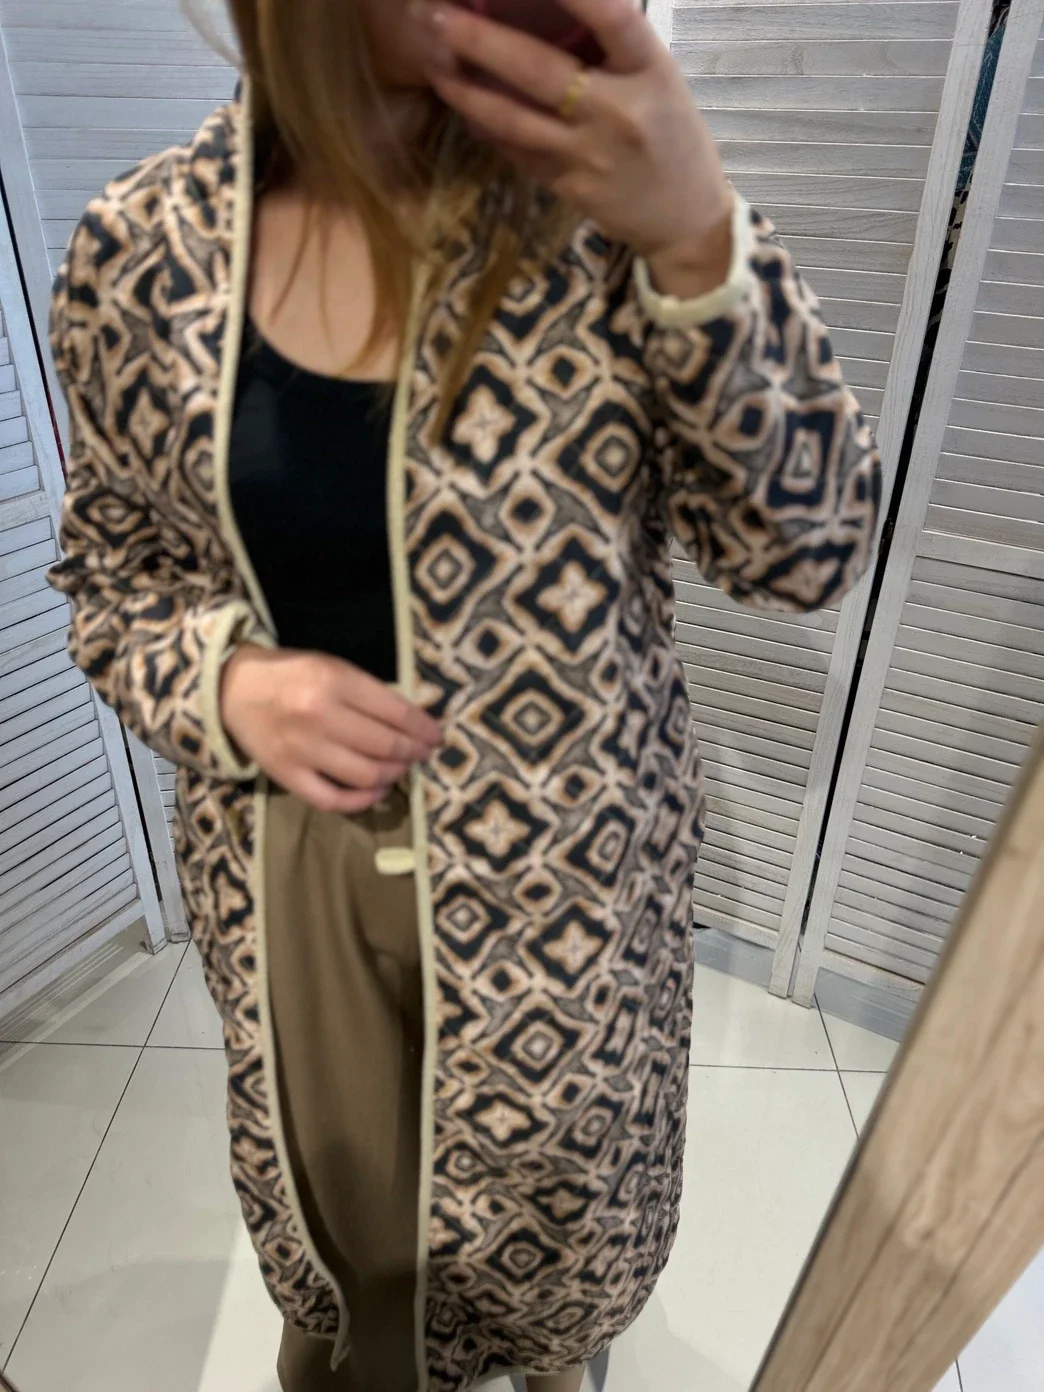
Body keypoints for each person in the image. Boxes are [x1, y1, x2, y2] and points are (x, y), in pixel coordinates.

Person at [47, 1, 881, 1389]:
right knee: (339, 1231)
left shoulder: (604, 219)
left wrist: (700, 243)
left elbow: (807, 551)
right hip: (289, 874)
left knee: (560, 1247)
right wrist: (226, 684)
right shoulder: (143, 253)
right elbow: (110, 575)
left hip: (568, 895)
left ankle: (554, 1356)